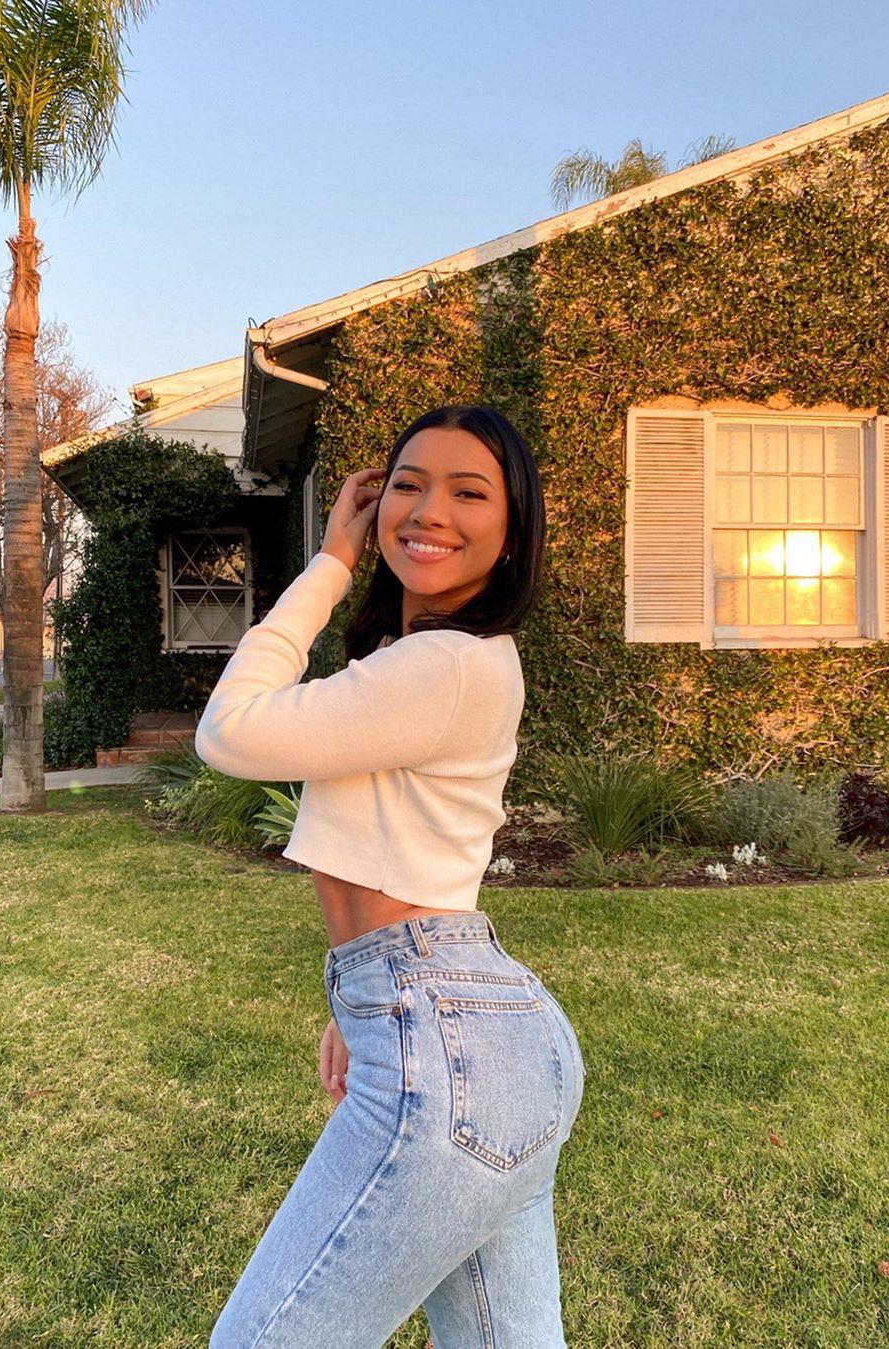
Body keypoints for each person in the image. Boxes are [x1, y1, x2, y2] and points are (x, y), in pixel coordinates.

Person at [196, 405, 585, 1348]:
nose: (430, 510)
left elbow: (228, 730)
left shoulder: (448, 664)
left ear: (512, 529)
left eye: (468, 491)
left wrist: (331, 561)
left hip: (449, 1043)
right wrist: (369, 1002)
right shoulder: (430, 662)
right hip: (479, 1023)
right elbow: (431, 846)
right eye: (408, 484)